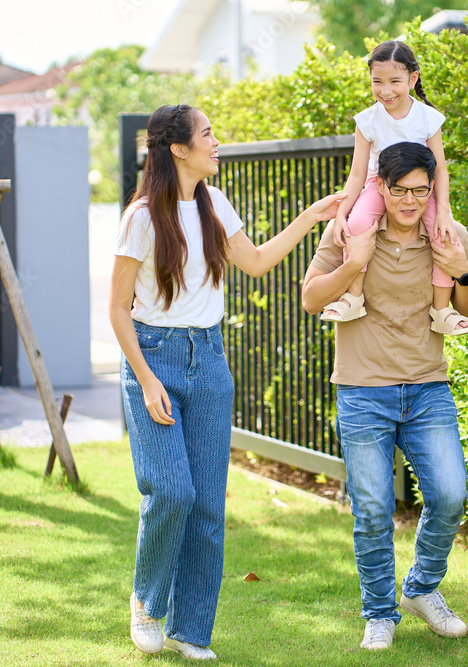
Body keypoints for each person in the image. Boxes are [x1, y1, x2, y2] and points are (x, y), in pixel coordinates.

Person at [110, 104, 344, 660]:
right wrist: (145, 380)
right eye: (208, 134)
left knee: (209, 507)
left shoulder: (216, 204)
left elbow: (258, 261)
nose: (218, 142)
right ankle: (146, 602)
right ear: (179, 149)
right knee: (171, 491)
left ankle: (191, 630)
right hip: (154, 357)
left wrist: (312, 216)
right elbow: (118, 309)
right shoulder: (141, 217)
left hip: (209, 361)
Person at [301, 142, 468, 650]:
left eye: (420, 191)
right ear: (380, 187)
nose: (410, 201)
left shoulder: (447, 233)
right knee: (374, 509)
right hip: (363, 391)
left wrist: (462, 269)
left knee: (450, 494)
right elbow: (311, 298)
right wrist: (350, 265)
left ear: (432, 189)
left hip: (428, 388)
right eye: (399, 190)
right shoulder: (349, 231)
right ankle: (379, 612)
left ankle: (421, 589)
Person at [319, 40, 468, 337]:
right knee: (359, 224)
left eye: (394, 81)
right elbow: (356, 174)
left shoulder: (428, 118)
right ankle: (354, 297)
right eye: (377, 82)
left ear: (412, 79)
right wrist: (342, 214)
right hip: (378, 187)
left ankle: (441, 310)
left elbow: (440, 170)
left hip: (418, 191)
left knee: (444, 236)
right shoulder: (367, 121)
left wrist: (442, 212)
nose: (385, 91)